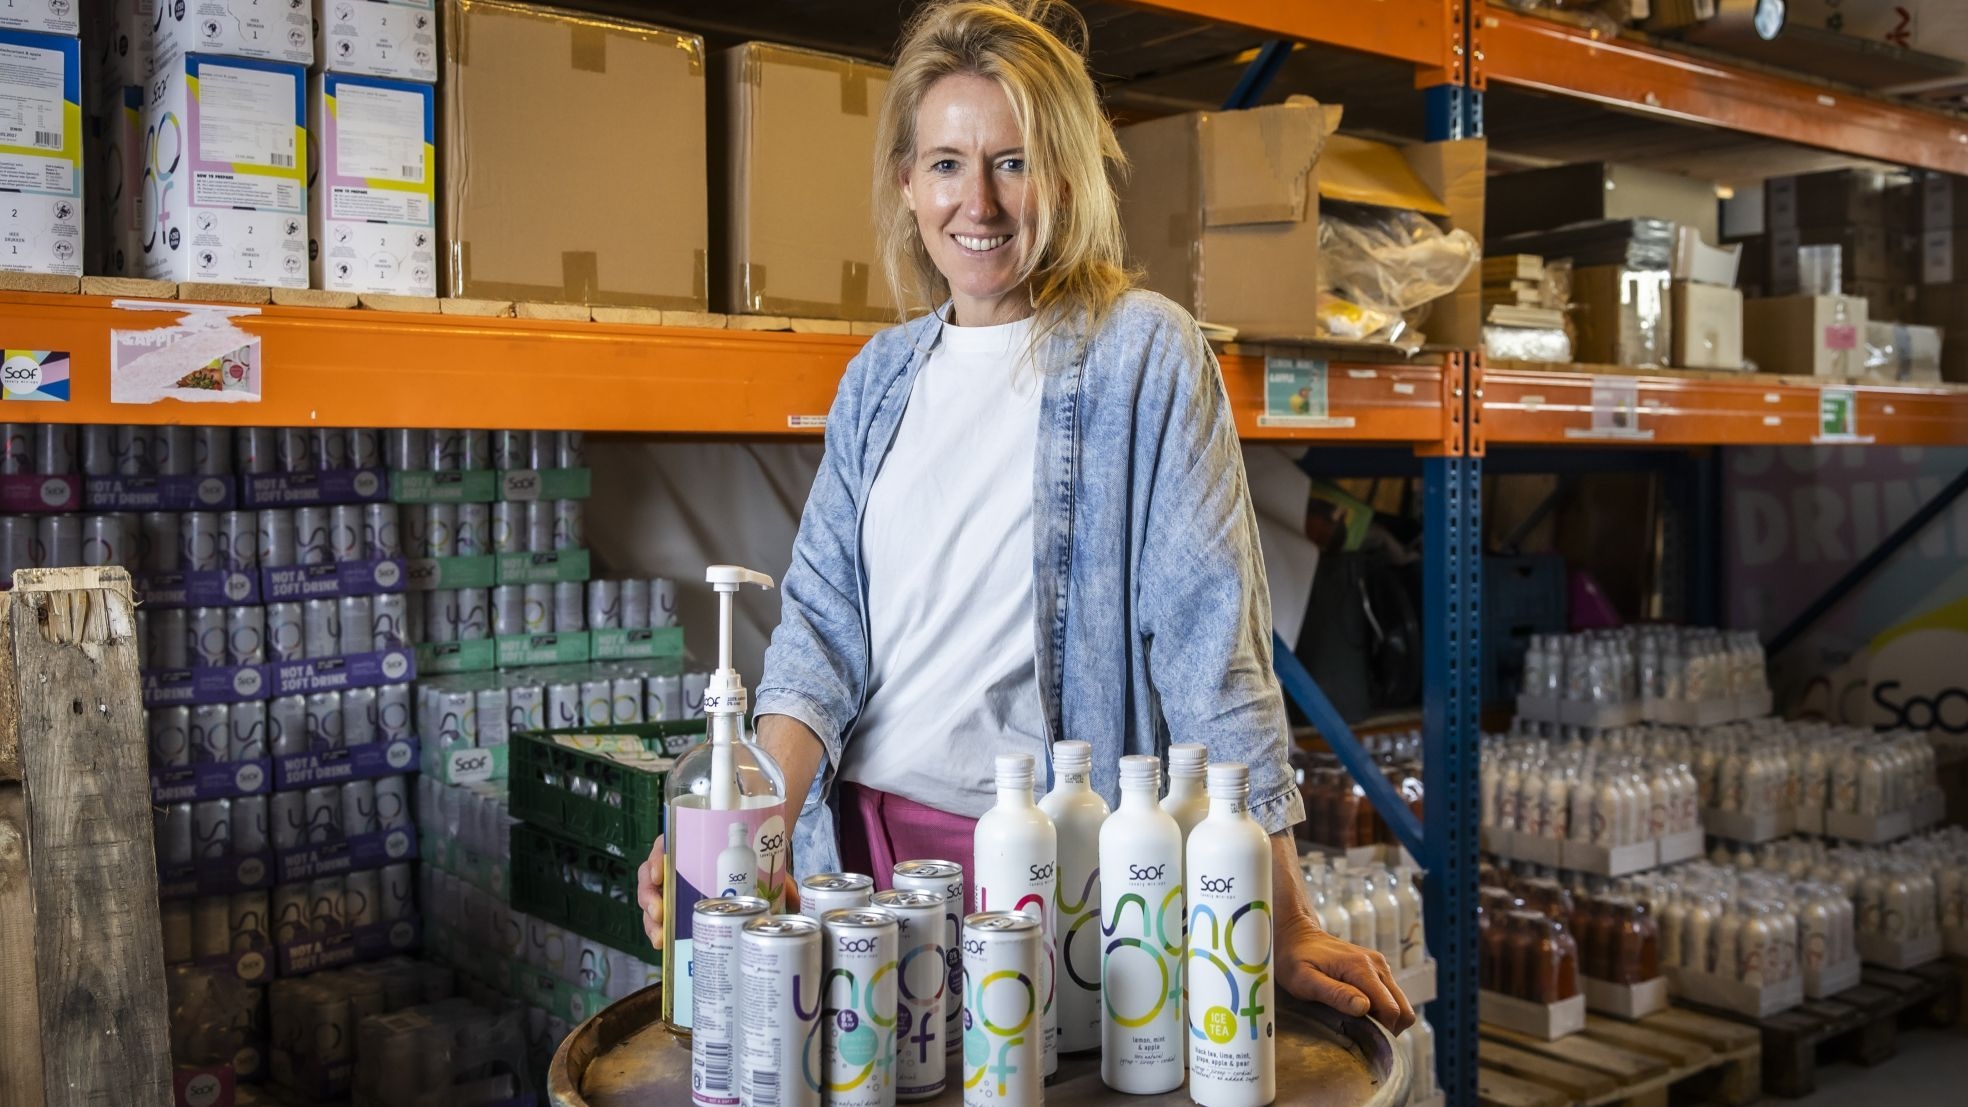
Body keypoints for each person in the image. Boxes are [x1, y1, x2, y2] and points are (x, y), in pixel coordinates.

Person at [636, 0, 1413, 1033]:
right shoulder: (881, 378)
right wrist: (743, 823)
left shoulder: (1146, 354)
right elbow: (820, 632)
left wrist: (1287, 914)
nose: (980, 203)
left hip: (1040, 875)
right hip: (853, 866)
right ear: (909, 184)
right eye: (948, 164)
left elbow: (1208, 645)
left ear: (1066, 176)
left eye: (1014, 161)